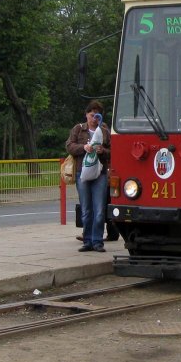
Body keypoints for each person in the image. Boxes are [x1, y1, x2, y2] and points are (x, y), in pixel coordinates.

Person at [66, 100, 112, 252]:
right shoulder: (79, 129)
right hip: (82, 172)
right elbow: (69, 146)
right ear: (86, 115)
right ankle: (87, 241)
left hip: (100, 173)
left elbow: (113, 150)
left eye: (97, 116)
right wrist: (83, 148)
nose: (94, 119)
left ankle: (97, 241)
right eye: (92, 115)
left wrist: (103, 151)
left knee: (99, 210)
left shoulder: (105, 130)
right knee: (86, 210)